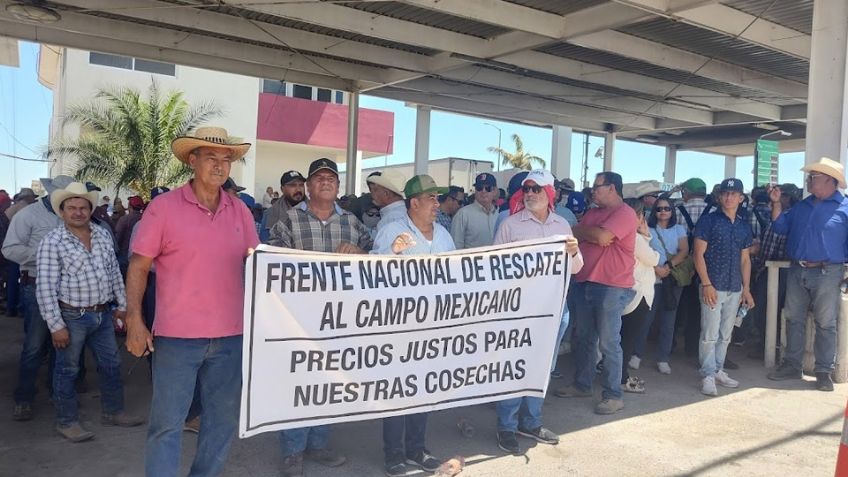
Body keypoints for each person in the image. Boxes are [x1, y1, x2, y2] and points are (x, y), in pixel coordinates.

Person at [124, 126, 259, 476]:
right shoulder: (163, 208)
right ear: (192, 160)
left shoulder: (241, 212)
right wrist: (134, 320)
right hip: (177, 338)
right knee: (167, 425)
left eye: (226, 159)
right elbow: (139, 265)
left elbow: (258, 264)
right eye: (210, 157)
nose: (219, 165)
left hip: (231, 337)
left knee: (221, 424)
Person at [270, 157, 372, 477]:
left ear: (338, 186)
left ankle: (318, 444)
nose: (326, 182)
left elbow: (377, 260)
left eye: (332, 178)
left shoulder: (353, 224)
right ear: (308, 186)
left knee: (329, 383)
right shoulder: (288, 220)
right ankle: (292, 451)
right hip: (299, 317)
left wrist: (361, 254)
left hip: (341, 318)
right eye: (319, 178)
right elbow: (270, 262)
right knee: (299, 383)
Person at [36, 182, 144, 442]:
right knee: (67, 370)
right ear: (62, 212)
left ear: (90, 209)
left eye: (83, 207)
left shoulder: (102, 234)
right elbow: (45, 287)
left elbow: (114, 274)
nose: (78, 212)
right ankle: (67, 421)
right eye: (71, 207)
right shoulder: (53, 242)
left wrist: (122, 306)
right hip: (71, 316)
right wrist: (55, 325)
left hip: (103, 314)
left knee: (111, 364)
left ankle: (113, 411)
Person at [493, 169, 582, 454]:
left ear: (549, 194)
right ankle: (506, 426)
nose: (529, 194)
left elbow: (577, 268)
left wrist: (574, 252)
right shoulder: (510, 224)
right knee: (514, 367)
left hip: (554, 308)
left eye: (536, 189)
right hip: (519, 310)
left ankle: (530, 422)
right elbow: (494, 268)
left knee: (543, 367)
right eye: (526, 189)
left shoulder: (563, 225)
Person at [371, 174, 453, 476]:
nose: (437, 203)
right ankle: (394, 454)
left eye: (438, 198)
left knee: (423, 389)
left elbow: (460, 276)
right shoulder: (392, 229)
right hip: (400, 326)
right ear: (414, 202)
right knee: (396, 391)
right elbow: (371, 271)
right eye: (431, 198)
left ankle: (417, 450)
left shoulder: (443, 236)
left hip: (434, 326)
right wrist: (390, 252)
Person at [555, 172, 636, 415]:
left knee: (609, 341)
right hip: (584, 281)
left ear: (612, 188)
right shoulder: (593, 212)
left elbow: (601, 237)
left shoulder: (625, 214)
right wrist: (586, 231)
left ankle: (613, 394)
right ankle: (583, 384)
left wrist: (584, 231)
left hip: (611, 285)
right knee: (583, 337)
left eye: (597, 186)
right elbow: (575, 233)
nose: (592, 190)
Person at [767, 158, 848, 392]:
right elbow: (780, 228)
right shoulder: (802, 206)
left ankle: (824, 372)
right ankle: (792, 365)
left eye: (813, 177)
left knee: (826, 322)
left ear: (830, 181)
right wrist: (775, 204)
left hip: (828, 272)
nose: (808, 180)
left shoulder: (844, 208)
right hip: (797, 269)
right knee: (794, 318)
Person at [3, 175, 75, 421]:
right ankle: (24, 397)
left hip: (68, 289)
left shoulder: (73, 216)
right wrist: (47, 255)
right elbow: (10, 248)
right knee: (34, 346)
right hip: (36, 288)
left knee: (63, 346)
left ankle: (58, 394)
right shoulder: (28, 215)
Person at [692, 178, 754, 396]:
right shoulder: (708, 221)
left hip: (734, 287)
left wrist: (746, 288)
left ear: (741, 198)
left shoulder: (743, 225)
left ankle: (718, 369)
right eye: (725, 193)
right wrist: (706, 283)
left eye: (733, 193)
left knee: (725, 333)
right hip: (713, 285)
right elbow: (698, 253)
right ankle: (708, 374)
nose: (729, 197)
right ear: (720, 196)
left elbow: (745, 259)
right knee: (709, 333)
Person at [634, 196, 689, 374]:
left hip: (671, 278)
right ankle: (637, 354)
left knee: (669, 320)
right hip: (652, 278)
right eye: (659, 209)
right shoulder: (648, 229)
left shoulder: (679, 229)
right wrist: (657, 268)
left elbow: (684, 250)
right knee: (645, 318)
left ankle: (663, 358)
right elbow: (643, 250)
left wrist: (667, 267)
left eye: (666, 208)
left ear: (672, 211)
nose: (663, 211)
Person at [618, 199, 659, 393]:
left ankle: (617, 374)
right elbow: (652, 258)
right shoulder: (634, 238)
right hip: (638, 294)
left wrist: (646, 237)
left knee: (621, 337)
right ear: (639, 216)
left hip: (627, 291)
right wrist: (646, 237)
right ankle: (621, 378)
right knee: (627, 339)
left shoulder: (622, 234)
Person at [675, 177, 710, 359]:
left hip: (681, 265)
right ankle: (693, 346)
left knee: (678, 304)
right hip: (705, 266)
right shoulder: (713, 211)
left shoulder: (678, 210)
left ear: (686, 192)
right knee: (699, 307)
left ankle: (671, 343)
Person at [451, 173, 498, 249]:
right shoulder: (463, 214)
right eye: (479, 188)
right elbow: (455, 247)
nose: (483, 191)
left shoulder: (498, 215)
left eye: (488, 188)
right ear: (475, 190)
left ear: (495, 191)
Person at [115, 195, 145, 276]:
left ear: (129, 206)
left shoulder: (124, 219)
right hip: (141, 257)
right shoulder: (146, 219)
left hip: (124, 256)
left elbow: (117, 237)